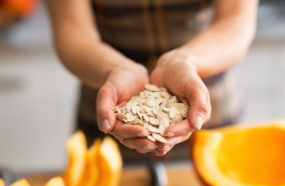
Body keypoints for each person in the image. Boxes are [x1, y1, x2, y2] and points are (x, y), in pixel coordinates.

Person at [46, 0, 258, 162]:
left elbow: (236, 20)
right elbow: (72, 30)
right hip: (111, 100)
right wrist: (116, 68)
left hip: (207, 101)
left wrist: (187, 60)